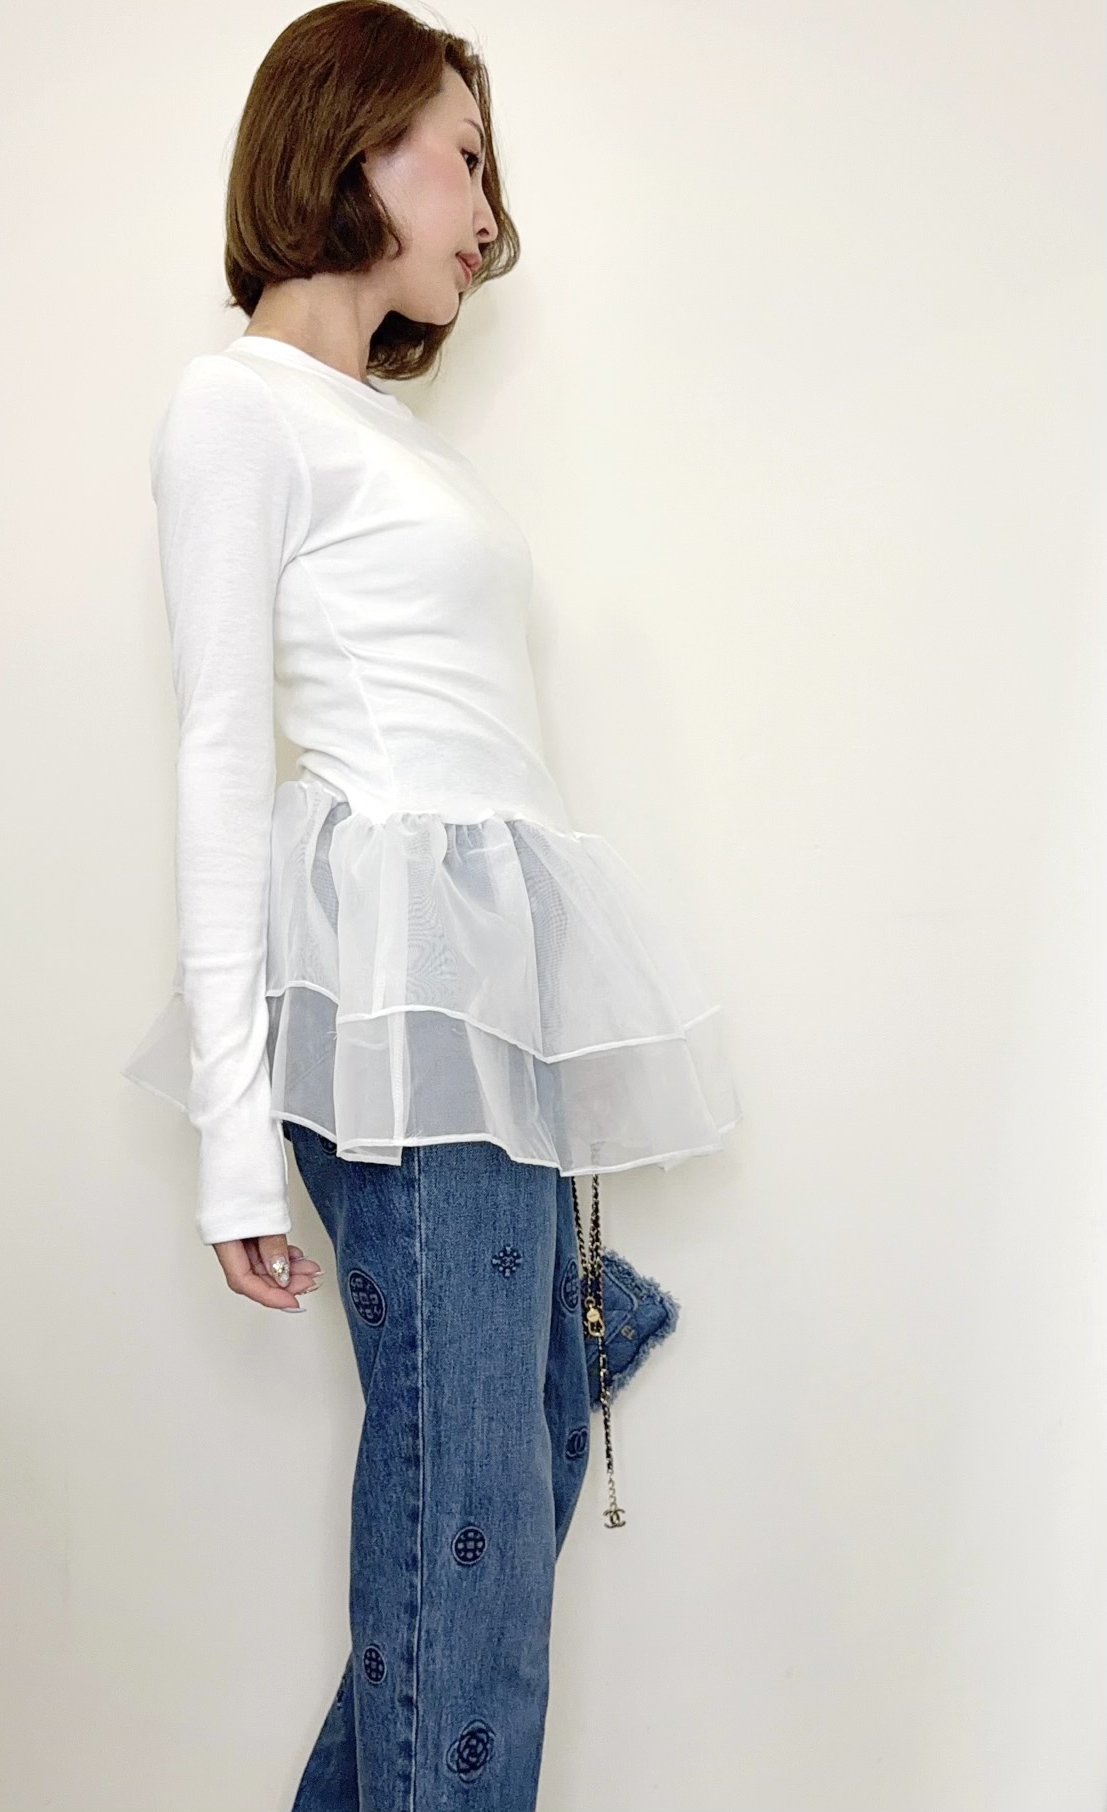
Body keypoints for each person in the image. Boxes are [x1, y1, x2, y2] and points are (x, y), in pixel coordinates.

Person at [120, 4, 742, 1804]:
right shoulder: (236, 403)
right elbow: (219, 748)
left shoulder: (381, 432)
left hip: (483, 992)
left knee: (497, 1465)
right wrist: (236, 1144)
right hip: (396, 1001)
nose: (487, 211)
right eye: (459, 157)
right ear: (349, 141)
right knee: (468, 1510)